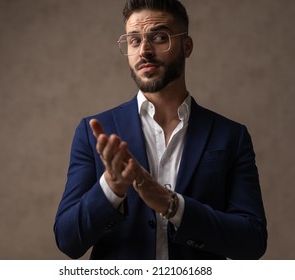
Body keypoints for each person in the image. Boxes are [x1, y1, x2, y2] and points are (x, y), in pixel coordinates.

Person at [54, 0, 267, 260]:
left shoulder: (231, 137)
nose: (144, 50)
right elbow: (67, 240)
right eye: (134, 41)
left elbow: (252, 242)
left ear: (186, 46)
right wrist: (110, 189)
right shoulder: (93, 132)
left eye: (159, 37)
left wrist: (171, 205)